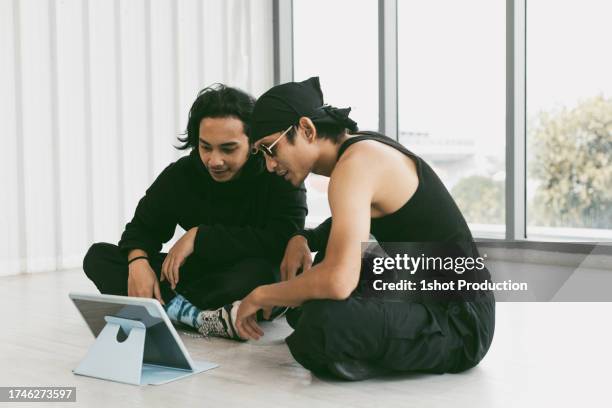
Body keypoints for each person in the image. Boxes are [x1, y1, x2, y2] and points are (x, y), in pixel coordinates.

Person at [234, 77, 495, 380]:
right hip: (420, 289)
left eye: (270, 149)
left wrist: (261, 294)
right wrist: (302, 236)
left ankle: (361, 348)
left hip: (461, 323)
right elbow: (352, 221)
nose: (269, 165)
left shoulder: (355, 165)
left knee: (321, 324)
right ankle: (369, 341)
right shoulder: (360, 149)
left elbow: (338, 282)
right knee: (309, 292)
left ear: (306, 129)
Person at [83, 84, 307, 340]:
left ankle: (168, 308)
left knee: (257, 274)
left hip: (248, 272)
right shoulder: (181, 174)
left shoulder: (277, 171)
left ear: (253, 143)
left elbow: (282, 238)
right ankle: (200, 317)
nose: (214, 160)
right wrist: (138, 261)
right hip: (195, 276)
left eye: (228, 148)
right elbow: (142, 228)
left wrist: (200, 237)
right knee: (99, 256)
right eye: (205, 147)